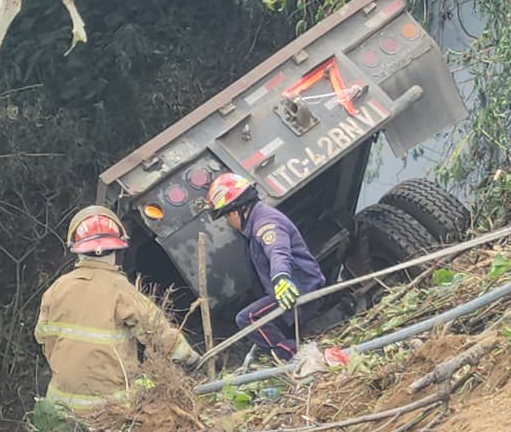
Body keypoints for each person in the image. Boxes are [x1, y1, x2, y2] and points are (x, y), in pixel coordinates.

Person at [35, 206, 199, 412]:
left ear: (76, 249)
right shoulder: (121, 290)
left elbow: (42, 339)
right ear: (118, 249)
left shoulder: (56, 289)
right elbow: (157, 332)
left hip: (60, 407)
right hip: (110, 410)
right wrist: (189, 358)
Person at [207, 172, 326, 362]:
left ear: (234, 212)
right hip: (293, 288)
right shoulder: (255, 223)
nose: (228, 223)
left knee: (247, 318)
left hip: (298, 288)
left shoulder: (265, 224)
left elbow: (277, 250)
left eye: (226, 217)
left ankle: (293, 356)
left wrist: (281, 278)